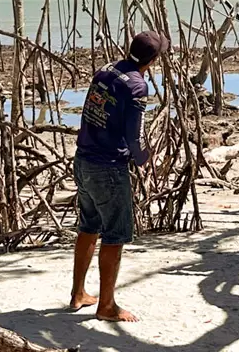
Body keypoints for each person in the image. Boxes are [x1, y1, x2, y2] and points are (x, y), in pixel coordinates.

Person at [69, 30, 170, 321]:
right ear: (152, 61)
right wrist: (144, 159)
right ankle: (107, 306)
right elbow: (135, 136)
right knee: (114, 235)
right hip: (108, 168)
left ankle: (78, 293)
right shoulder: (137, 86)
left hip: (84, 159)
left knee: (88, 227)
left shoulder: (105, 70)